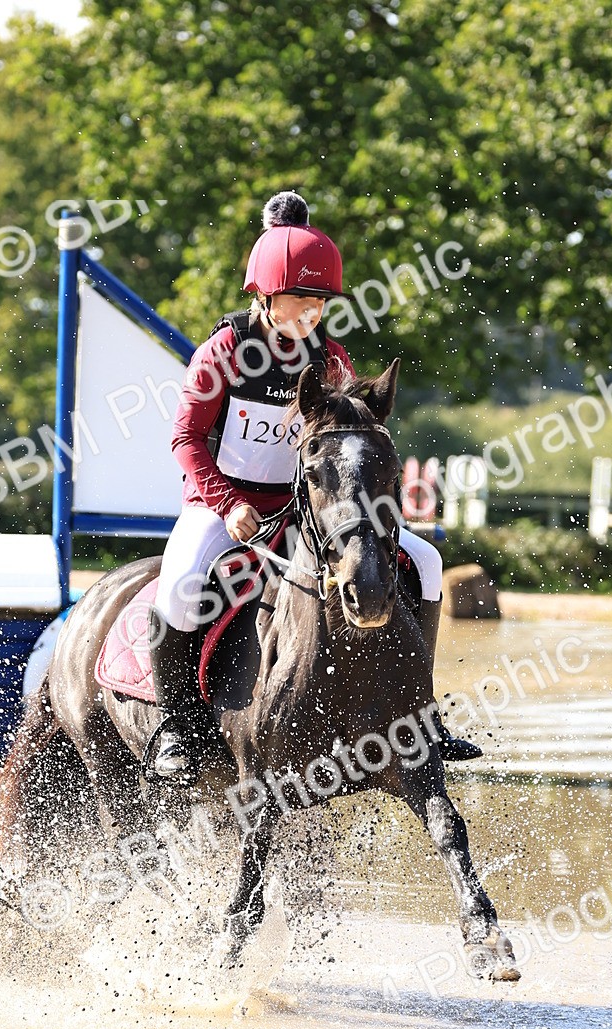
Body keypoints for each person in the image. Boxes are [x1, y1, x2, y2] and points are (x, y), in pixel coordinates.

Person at [149, 191, 481, 781]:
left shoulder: (330, 359)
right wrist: (227, 506)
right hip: (223, 506)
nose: (312, 311)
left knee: (425, 562)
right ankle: (176, 727)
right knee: (178, 587)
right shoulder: (223, 351)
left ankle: (418, 712)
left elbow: (350, 438)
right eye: (302, 298)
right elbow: (186, 439)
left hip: (307, 513)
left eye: (321, 301)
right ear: (266, 293)